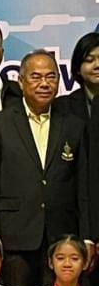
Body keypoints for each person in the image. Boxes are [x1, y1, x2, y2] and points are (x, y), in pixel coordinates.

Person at [0, 50, 91, 286]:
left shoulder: (74, 125)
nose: (44, 83)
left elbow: (84, 188)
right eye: (36, 77)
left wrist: (87, 237)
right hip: (14, 236)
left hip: (62, 238)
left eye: (51, 77)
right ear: (21, 81)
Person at [56, 32, 99, 263]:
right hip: (74, 213)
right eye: (89, 59)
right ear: (77, 68)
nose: (97, 65)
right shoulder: (63, 108)